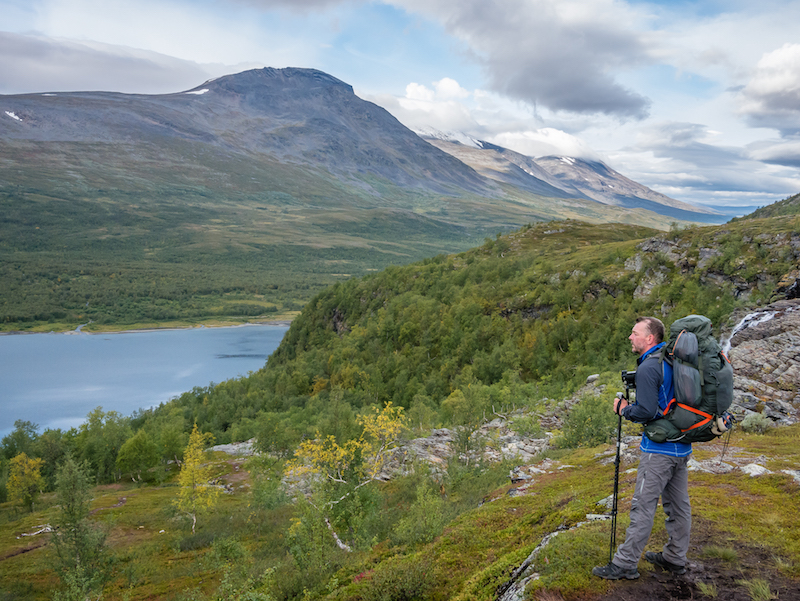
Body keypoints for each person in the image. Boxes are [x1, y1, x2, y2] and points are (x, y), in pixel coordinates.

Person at [592, 316, 692, 580]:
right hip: (681, 447)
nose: (630, 337)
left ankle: (625, 563)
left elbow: (646, 411)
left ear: (650, 338)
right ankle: (674, 557)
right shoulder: (673, 361)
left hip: (659, 451)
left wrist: (624, 410)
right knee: (679, 506)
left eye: (634, 333)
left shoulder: (650, 366)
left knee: (643, 505)